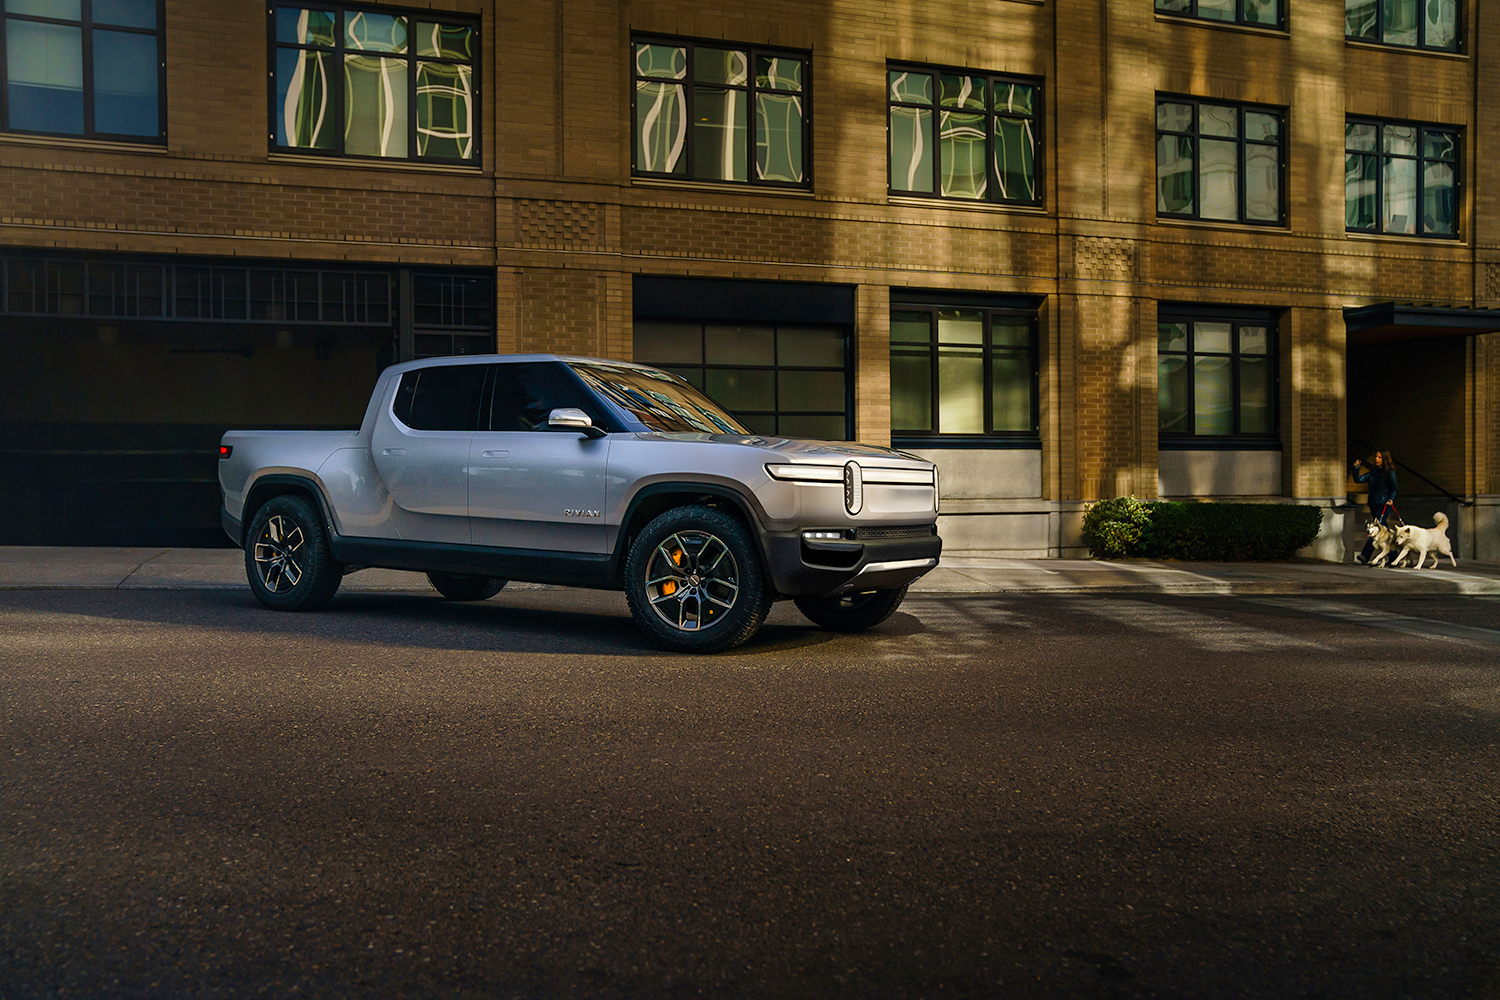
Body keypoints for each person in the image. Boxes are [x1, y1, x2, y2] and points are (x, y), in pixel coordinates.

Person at [1352, 449, 1398, 564]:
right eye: (1376, 457)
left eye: (1379, 457)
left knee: (1376, 529)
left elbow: (1394, 488)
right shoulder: (1373, 473)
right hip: (1373, 504)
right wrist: (1356, 468)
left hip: (1384, 504)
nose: (1376, 459)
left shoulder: (1389, 472)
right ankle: (1393, 556)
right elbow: (1358, 479)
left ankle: (1365, 555)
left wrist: (1391, 499)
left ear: (1385, 459)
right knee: (1383, 529)